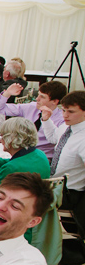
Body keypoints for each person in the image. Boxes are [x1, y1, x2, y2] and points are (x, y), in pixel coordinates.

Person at [41, 90, 85, 237]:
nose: (65, 115)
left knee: (22, 196)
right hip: (53, 183)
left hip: (68, 192)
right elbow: (53, 138)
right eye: (64, 110)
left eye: (71, 112)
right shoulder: (67, 127)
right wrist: (47, 121)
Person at [0, 80, 67, 159]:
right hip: (21, 152)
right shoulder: (32, 107)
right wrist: (7, 93)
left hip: (42, 157)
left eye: (42, 97)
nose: (37, 99)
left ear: (55, 101)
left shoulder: (62, 119)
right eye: (38, 95)